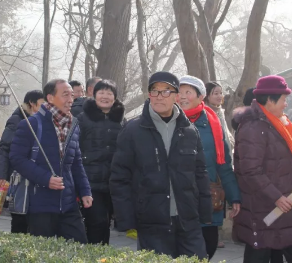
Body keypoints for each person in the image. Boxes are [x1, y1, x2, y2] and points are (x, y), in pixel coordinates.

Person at [110, 71, 211, 260]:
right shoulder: (133, 130)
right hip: (151, 219)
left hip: (187, 218)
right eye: (154, 91)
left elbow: (200, 173)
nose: (159, 96)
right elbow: (119, 176)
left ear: (176, 96)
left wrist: (205, 211)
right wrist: (126, 218)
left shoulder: (189, 130)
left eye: (166, 91)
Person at [232, 75, 292, 263]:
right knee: (263, 252)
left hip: (285, 205)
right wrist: (276, 196)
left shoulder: (278, 123)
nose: (286, 104)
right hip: (266, 207)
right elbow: (250, 170)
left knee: (276, 251)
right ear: (270, 99)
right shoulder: (254, 127)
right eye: (283, 99)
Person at [9, 79, 92, 244]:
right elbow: (17, 159)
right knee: (42, 252)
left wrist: (85, 191)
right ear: (50, 98)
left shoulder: (74, 125)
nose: (71, 99)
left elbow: (76, 162)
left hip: (68, 203)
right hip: (39, 203)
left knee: (79, 248)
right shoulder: (31, 124)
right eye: (65, 95)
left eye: (72, 95)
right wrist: (46, 179)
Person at [178, 76, 241, 260]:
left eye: (188, 92)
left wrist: (234, 196)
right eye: (179, 92)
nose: (182, 97)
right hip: (178, 195)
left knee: (209, 244)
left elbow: (223, 163)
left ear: (201, 97)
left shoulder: (213, 123)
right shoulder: (168, 121)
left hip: (207, 194)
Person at [78, 79, 125, 245]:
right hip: (89, 181)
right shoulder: (83, 118)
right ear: (94, 95)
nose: (105, 96)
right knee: (96, 221)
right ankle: (92, 253)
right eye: (101, 92)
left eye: (109, 93)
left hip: (114, 181)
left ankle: (102, 253)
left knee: (106, 223)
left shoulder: (121, 120)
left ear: (115, 97)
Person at [0, 89, 44, 233]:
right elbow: (4, 148)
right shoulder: (17, 120)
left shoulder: (41, 120)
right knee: (19, 217)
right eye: (42, 104)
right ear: (32, 104)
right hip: (18, 177)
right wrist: (1, 175)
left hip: (35, 176)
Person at [205, 81, 235, 152]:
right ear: (207, 96)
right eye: (216, 93)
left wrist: (230, 142)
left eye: (221, 93)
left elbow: (226, 131)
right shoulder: (205, 113)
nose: (220, 96)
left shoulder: (220, 112)